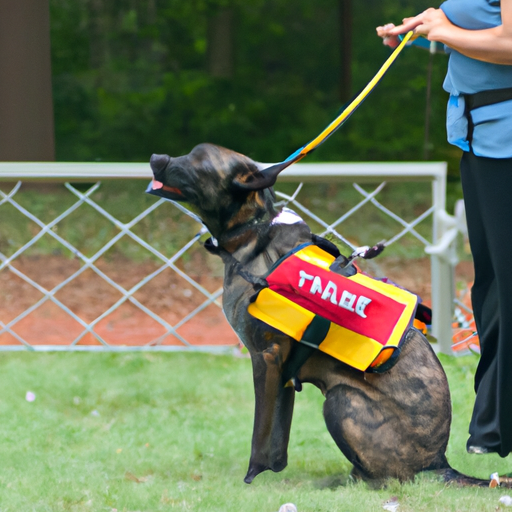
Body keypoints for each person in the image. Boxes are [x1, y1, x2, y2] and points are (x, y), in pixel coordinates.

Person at [377, 1, 512, 458]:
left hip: (507, 139)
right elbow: (480, 33)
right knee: (491, 288)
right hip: (482, 139)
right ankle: (494, 431)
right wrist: (423, 31)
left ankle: (493, 430)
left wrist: (443, 30)